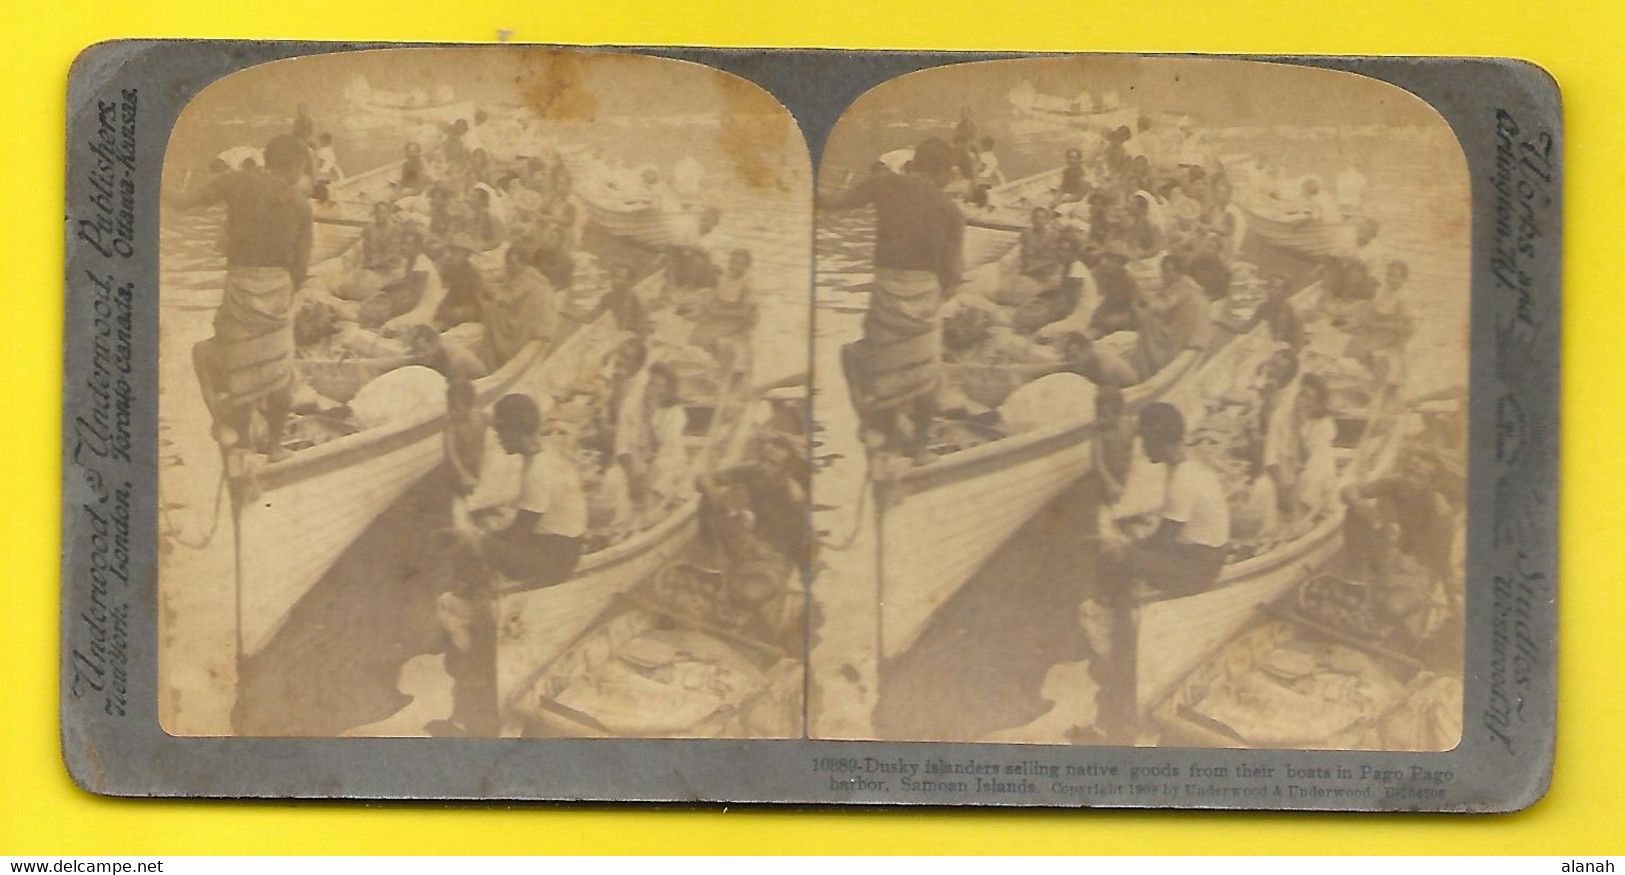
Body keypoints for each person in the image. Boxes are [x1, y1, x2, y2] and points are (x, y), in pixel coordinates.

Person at [166, 133, 313, 463]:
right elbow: (301, 268)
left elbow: (182, 202)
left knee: (231, 365)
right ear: (294, 166)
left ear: (267, 158)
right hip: (278, 290)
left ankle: (238, 439)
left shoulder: (235, 181)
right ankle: (275, 448)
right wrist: (285, 296)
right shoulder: (301, 204)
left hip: (241, 286)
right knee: (279, 372)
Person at [1088, 402, 1230, 742]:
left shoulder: (1182, 479)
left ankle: (1115, 632)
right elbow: (1165, 536)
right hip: (1201, 552)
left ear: (1157, 438)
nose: (1142, 446)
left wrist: (1123, 549)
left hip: (1199, 566)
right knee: (1123, 550)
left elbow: (1163, 543)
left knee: (1116, 556)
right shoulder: (1190, 469)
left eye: (1145, 440)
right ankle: (1113, 611)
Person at [817, 136, 965, 461]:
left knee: (875, 362)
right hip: (924, 295)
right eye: (949, 172)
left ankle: (878, 427)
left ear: (915, 163)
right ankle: (920, 447)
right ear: (941, 170)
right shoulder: (950, 210)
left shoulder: (882, 184)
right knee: (927, 374)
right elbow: (953, 276)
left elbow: (830, 203)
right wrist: (939, 297)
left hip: (885, 290)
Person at [482, 245, 557, 369]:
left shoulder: (527, 280)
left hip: (524, 325)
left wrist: (486, 289)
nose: (508, 267)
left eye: (512, 263)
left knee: (492, 312)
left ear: (523, 263)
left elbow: (506, 299)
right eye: (507, 263)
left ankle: (494, 361)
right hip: (526, 318)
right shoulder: (528, 275)